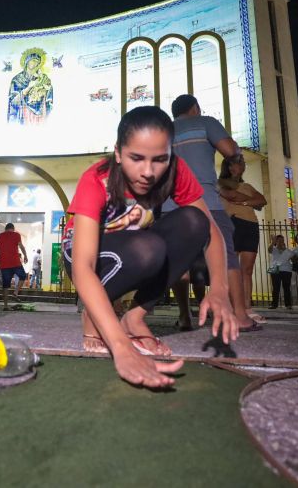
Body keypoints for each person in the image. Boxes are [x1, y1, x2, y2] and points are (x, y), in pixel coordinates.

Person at [64, 106, 238, 388]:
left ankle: (134, 318)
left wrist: (219, 288)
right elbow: (83, 266)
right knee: (148, 248)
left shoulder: (175, 171)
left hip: (136, 247)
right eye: (136, 158)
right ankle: (93, 314)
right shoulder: (96, 178)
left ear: (170, 154)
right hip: (86, 255)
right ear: (118, 153)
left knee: (194, 222)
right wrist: (121, 347)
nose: (148, 172)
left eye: (160, 159)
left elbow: (211, 232)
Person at [166, 94, 261, 332]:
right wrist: (233, 150)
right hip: (204, 200)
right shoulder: (205, 122)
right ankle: (240, 316)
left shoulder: (164, 130)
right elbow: (230, 150)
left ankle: (185, 315)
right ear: (195, 108)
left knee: (179, 262)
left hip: (170, 203)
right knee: (226, 256)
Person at [218, 155, 267, 321]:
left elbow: (263, 200)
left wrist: (245, 202)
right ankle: (230, 307)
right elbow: (232, 196)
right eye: (240, 163)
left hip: (251, 225)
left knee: (247, 270)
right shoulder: (219, 184)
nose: (243, 165)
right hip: (232, 223)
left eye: (243, 163)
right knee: (231, 268)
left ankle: (247, 308)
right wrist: (252, 201)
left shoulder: (247, 186)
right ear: (230, 167)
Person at [0, 223, 28, 310]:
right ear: (13, 228)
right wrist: (25, 256)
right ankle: (15, 292)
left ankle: (5, 306)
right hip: (15, 262)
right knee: (23, 276)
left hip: (4, 264)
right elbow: (21, 246)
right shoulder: (16, 235)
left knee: (5, 286)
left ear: (5, 228)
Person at [267, 235, 293, 309]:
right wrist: (272, 242)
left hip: (286, 270)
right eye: (279, 240)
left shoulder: (287, 250)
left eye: (282, 240)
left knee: (286, 288)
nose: (281, 241)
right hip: (274, 269)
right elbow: (269, 250)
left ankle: (288, 304)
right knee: (275, 288)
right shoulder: (273, 249)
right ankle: (274, 304)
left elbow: (292, 258)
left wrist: (285, 250)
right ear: (276, 241)